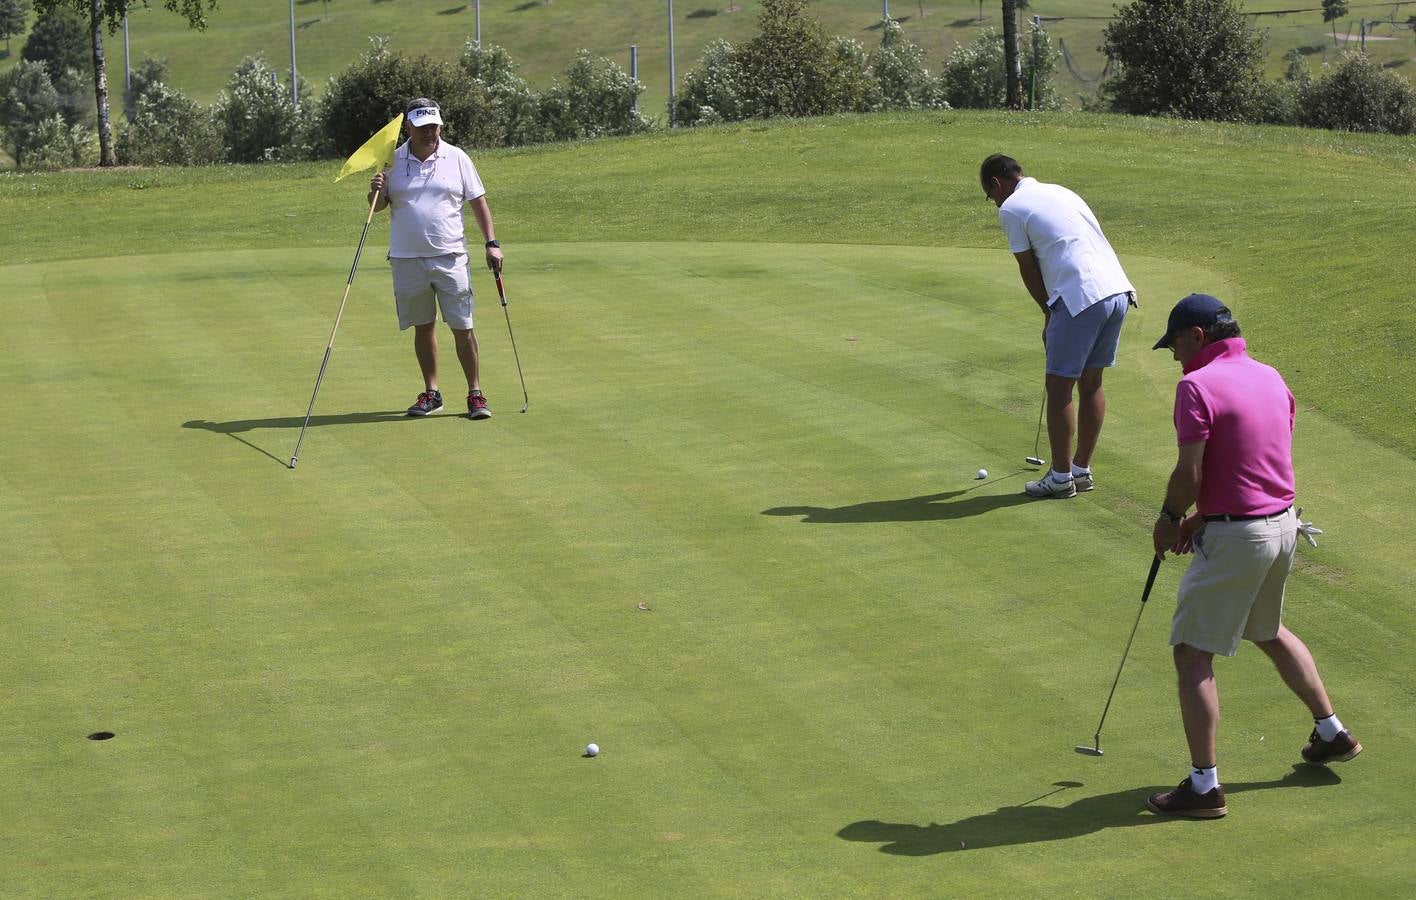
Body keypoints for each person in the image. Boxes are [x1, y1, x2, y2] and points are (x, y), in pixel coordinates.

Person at [1146, 293, 1360, 819]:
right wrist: (1204, 516)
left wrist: (1172, 517)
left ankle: (1203, 787)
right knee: (1267, 630)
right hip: (1283, 525)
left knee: (1192, 653)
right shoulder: (1270, 375)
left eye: (1174, 341)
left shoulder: (1196, 385)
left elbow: (1190, 473)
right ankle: (1331, 732)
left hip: (1239, 538)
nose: (1173, 354)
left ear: (1197, 335)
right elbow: (1255, 460)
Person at [979, 155, 1136, 499]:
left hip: (1079, 296)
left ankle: (1061, 477)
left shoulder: (1011, 208)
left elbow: (1028, 267)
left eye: (991, 196)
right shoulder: (1062, 191)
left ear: (996, 184)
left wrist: (1048, 313)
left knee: (1059, 387)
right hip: (1118, 291)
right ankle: (1081, 471)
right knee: (1091, 382)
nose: (996, 203)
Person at [369, 98, 504, 419]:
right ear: (409, 127)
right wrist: (375, 190)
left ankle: (475, 393)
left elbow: (479, 203)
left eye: (434, 125)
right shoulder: (391, 160)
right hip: (406, 258)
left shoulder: (456, 157)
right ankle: (431, 393)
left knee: (463, 326)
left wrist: (491, 243)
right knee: (422, 326)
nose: (430, 132)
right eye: (423, 126)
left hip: (450, 255)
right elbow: (377, 208)